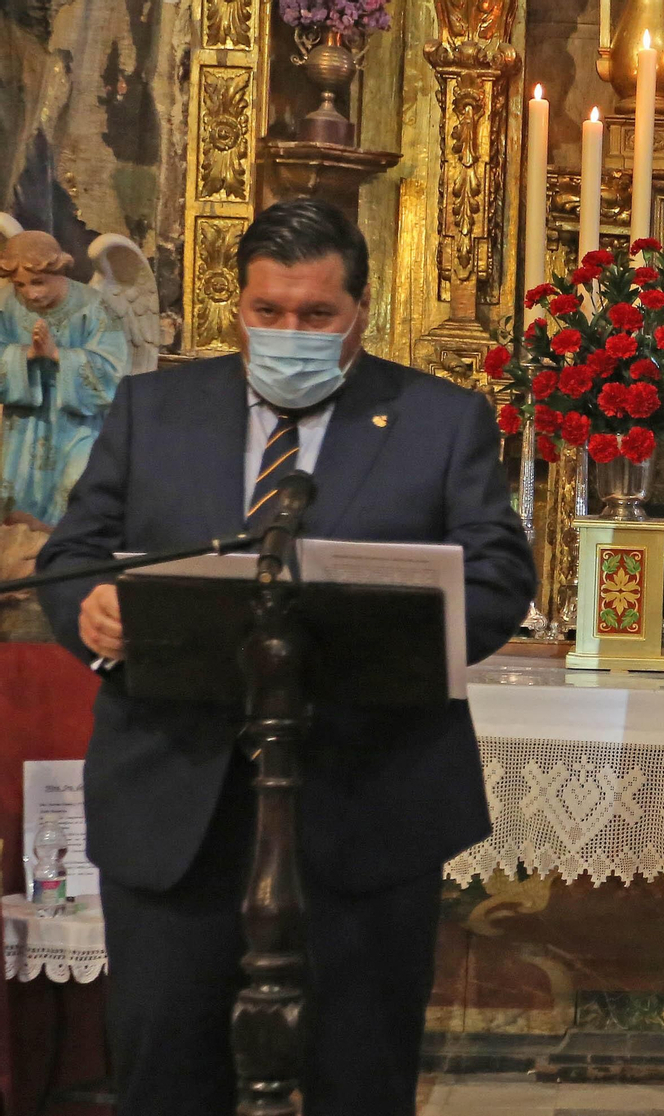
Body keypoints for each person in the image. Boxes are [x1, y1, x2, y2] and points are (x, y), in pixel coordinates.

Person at [33, 198, 537, 1115]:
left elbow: (500, 575)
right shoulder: (158, 407)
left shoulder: (439, 420)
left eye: (316, 316)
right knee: (165, 1068)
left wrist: (396, 639)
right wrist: (91, 612)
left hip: (365, 799)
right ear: (240, 305)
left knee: (359, 1075)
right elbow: (74, 557)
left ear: (361, 310)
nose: (288, 333)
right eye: (268, 312)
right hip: (178, 802)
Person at [0, 229, 128, 523]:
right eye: (20, 285)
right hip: (23, 426)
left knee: (75, 487)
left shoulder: (92, 306)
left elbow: (114, 370)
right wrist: (26, 356)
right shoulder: (6, 305)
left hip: (77, 424)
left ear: (59, 270)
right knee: (17, 499)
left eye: (38, 282)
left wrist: (58, 355)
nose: (30, 293)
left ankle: (70, 558)